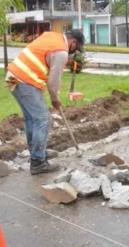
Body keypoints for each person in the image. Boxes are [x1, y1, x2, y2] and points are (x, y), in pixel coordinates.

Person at [6, 30, 85, 175]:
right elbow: (53, 82)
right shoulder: (62, 52)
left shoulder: (52, 36)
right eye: (76, 48)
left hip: (12, 77)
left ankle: (37, 152)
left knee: (32, 118)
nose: (74, 51)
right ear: (73, 42)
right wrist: (55, 100)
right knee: (43, 119)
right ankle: (37, 162)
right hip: (24, 80)